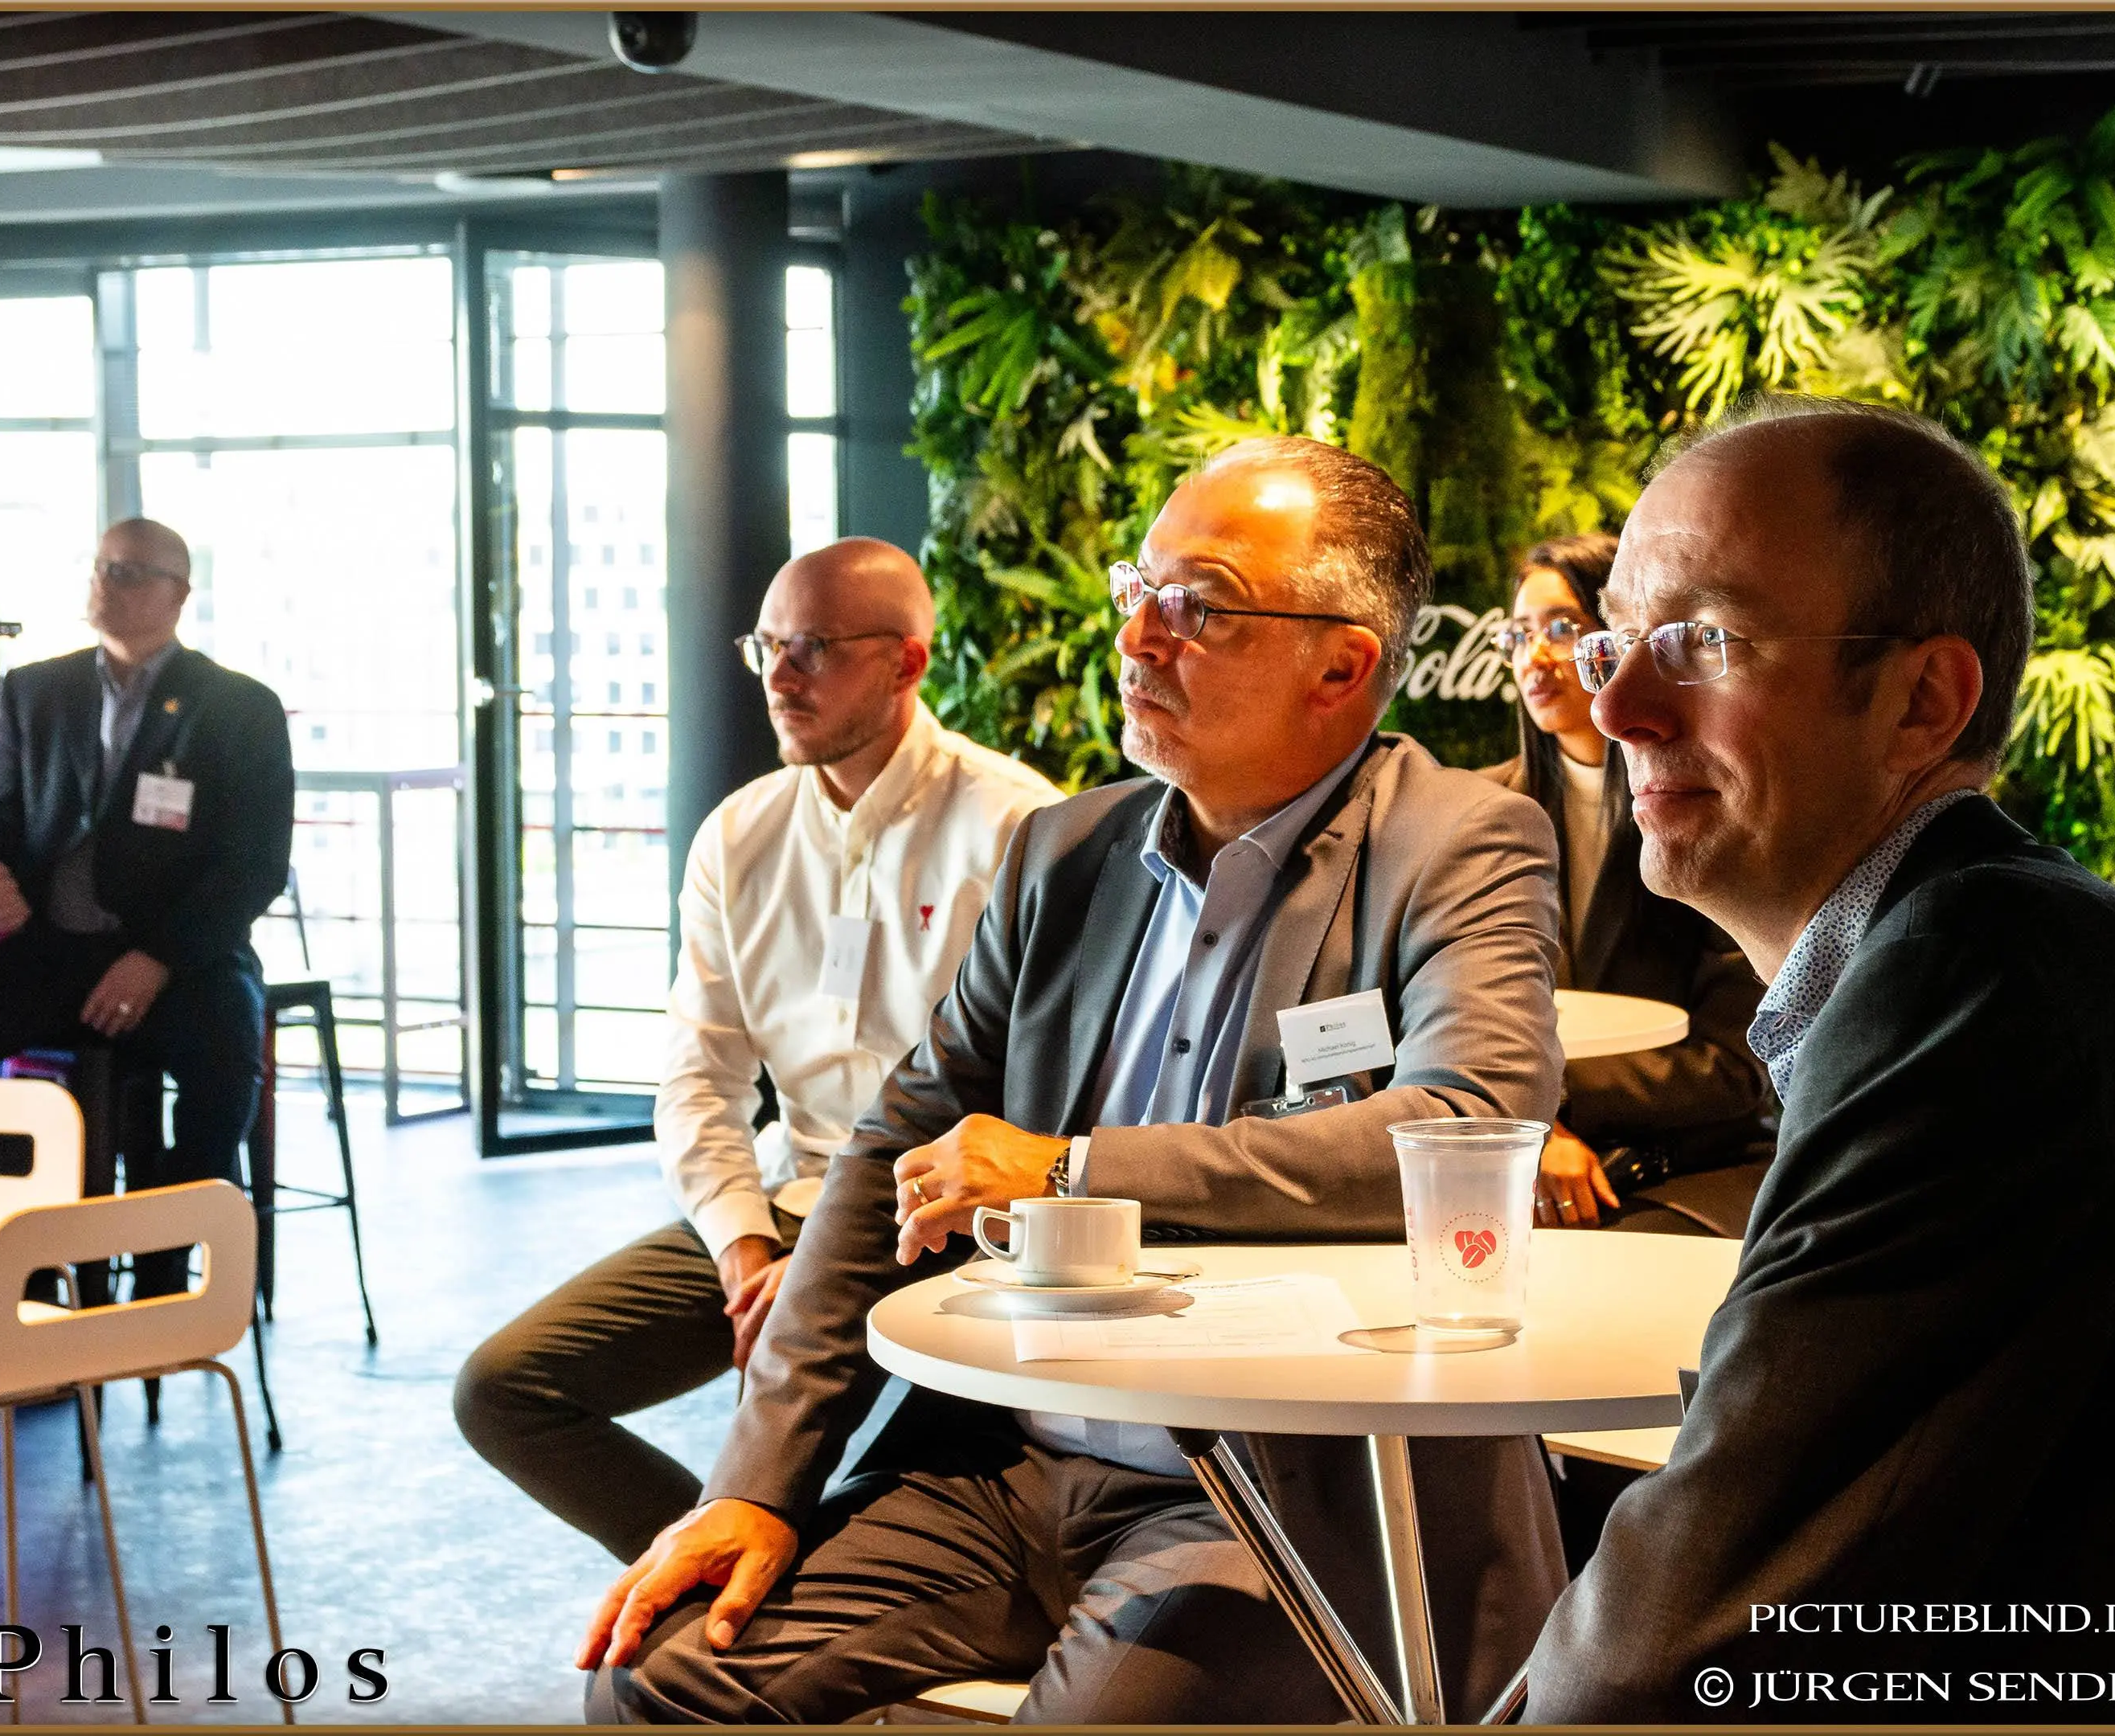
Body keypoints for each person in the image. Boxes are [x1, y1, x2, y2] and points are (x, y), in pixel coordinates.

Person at [580, 436, 1568, 1725]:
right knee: (658, 1684)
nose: (1141, 639)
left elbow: (1467, 1121)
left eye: (1198, 608)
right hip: (1013, 1454)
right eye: (1137, 592)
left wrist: (1073, 1171)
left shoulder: (1458, 840)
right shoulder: (1066, 852)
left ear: (1342, 665)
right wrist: (754, 1486)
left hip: (1268, 1485)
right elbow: (891, 1148)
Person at [1519, 399, 2115, 1720]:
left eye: (1702, 644)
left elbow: (1672, 1643)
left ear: (1923, 701)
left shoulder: (1974, 991)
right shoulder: (1992, 944)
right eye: (1614, 643)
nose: (1616, 705)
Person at [454, 538, 1061, 1565]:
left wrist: (830, 1249)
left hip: (934, 1222)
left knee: (879, 1459)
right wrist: (744, 1245)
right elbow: (701, 1074)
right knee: (506, 1389)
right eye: (767, 647)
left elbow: (1031, 1099)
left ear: (908, 663)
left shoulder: (1017, 826)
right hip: (778, 1211)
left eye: (814, 650)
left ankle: (763, 1572)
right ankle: (741, 1569)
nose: (779, 679)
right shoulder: (739, 834)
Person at [0, 517, 294, 1300]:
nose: (109, 584)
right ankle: (35, 1237)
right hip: (56, 950)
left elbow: (255, 864)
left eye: (131, 572)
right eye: (101, 569)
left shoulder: (236, 706)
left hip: (182, 953)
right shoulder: (38, 690)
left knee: (224, 1065)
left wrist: (157, 956)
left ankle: (167, 1269)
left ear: (179, 595)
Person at [1483, 534, 1773, 1236]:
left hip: (1691, 1166)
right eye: (1519, 634)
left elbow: (1735, 1062)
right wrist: (1532, 1128)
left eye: (1562, 628)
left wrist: (1537, 1103)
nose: (1538, 656)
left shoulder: (1701, 807)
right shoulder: (1478, 814)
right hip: (1513, 1160)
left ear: (1618, 642)